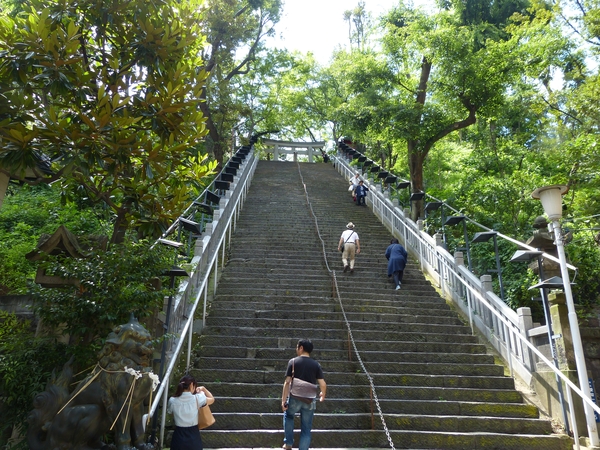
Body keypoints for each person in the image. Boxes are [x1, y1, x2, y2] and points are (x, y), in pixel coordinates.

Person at [281, 339, 327, 450]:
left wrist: (283, 400)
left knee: (289, 416)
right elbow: (323, 383)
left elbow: (287, 382)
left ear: (301, 348)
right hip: (309, 399)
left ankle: (288, 443)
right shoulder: (316, 365)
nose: (296, 349)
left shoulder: (292, 362)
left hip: (294, 397)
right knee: (306, 428)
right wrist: (322, 394)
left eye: (297, 347)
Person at [167, 375, 215, 450]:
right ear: (192, 385)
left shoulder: (172, 400)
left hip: (178, 434)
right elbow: (212, 399)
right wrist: (203, 389)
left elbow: (171, 412)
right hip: (193, 434)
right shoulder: (198, 398)